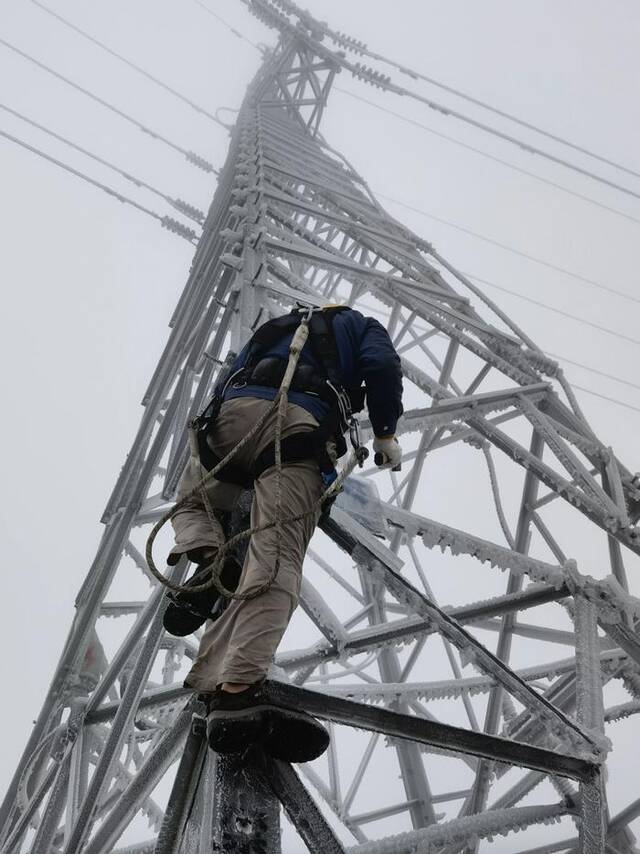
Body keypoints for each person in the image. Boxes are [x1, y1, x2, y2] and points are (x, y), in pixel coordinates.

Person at [165, 304, 403, 762]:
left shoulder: (273, 325)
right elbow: (381, 365)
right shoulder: (361, 324)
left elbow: (227, 379)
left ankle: (210, 554)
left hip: (228, 422)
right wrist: (387, 434)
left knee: (195, 503)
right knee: (276, 556)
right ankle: (237, 690)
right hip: (294, 426)